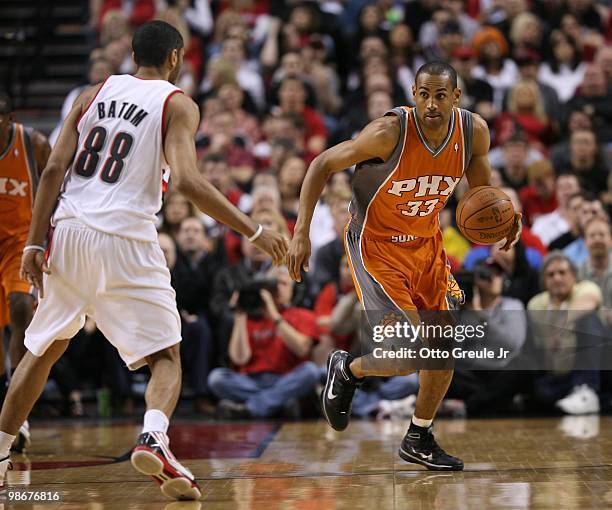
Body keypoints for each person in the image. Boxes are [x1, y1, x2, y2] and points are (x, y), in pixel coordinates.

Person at [0, 21, 287, 500]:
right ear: (176, 58)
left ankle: (2, 451)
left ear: (133, 54)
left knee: (42, 349)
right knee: (166, 357)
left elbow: (52, 168)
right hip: (126, 238)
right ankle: (154, 436)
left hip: (67, 232)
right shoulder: (177, 103)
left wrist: (33, 244)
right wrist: (255, 230)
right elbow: (190, 182)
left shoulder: (92, 94)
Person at [287, 62, 521, 471]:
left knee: (443, 347)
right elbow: (321, 164)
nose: (432, 103)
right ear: (413, 93)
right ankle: (348, 369)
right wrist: (300, 232)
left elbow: (480, 194)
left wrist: (505, 216)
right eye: (424, 94)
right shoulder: (388, 132)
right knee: (408, 353)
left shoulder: (473, 133)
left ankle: (419, 435)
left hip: (427, 246)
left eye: (441, 95)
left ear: (456, 97)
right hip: (375, 247)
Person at [0, 92, 51, 451]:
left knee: (21, 307)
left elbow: (59, 186)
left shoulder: (32, 143)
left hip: (20, 244)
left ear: (8, 118)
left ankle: (20, 415)